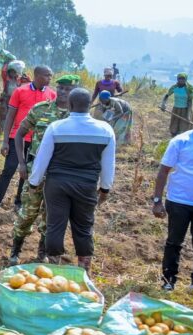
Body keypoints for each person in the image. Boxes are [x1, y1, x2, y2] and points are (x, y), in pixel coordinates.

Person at [28, 88, 115, 273]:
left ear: (70, 104)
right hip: (87, 186)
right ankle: (84, 271)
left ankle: (53, 270)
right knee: (84, 227)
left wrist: (34, 183)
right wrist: (105, 188)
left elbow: (42, 159)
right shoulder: (105, 130)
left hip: (57, 184)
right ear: (90, 105)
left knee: (55, 225)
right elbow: (108, 164)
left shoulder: (57, 127)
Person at [9, 75, 78, 265]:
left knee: (51, 217)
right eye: (61, 88)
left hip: (60, 176)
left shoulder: (76, 117)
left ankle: (42, 253)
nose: (64, 92)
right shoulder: (41, 109)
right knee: (27, 213)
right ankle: (15, 251)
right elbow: (20, 134)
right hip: (35, 172)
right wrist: (22, 163)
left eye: (69, 89)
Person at [153, 105, 193, 291]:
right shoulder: (181, 141)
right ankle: (168, 281)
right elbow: (163, 171)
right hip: (179, 201)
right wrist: (157, 201)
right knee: (174, 242)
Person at [0, 65, 55, 218]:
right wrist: (5, 141)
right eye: (47, 75)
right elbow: (10, 116)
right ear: (37, 75)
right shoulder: (20, 91)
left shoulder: (52, 95)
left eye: (51, 76)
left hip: (37, 142)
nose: (50, 78)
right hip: (17, 138)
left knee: (27, 173)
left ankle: (19, 203)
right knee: (8, 169)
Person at [0, 60, 31, 132]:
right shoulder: (7, 79)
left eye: (14, 72)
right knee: (3, 115)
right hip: (6, 99)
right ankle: (1, 131)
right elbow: (3, 71)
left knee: (13, 116)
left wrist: (27, 79)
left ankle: (11, 131)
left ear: (18, 72)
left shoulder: (22, 79)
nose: (12, 74)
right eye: (11, 72)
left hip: (16, 101)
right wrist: (6, 63)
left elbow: (30, 85)